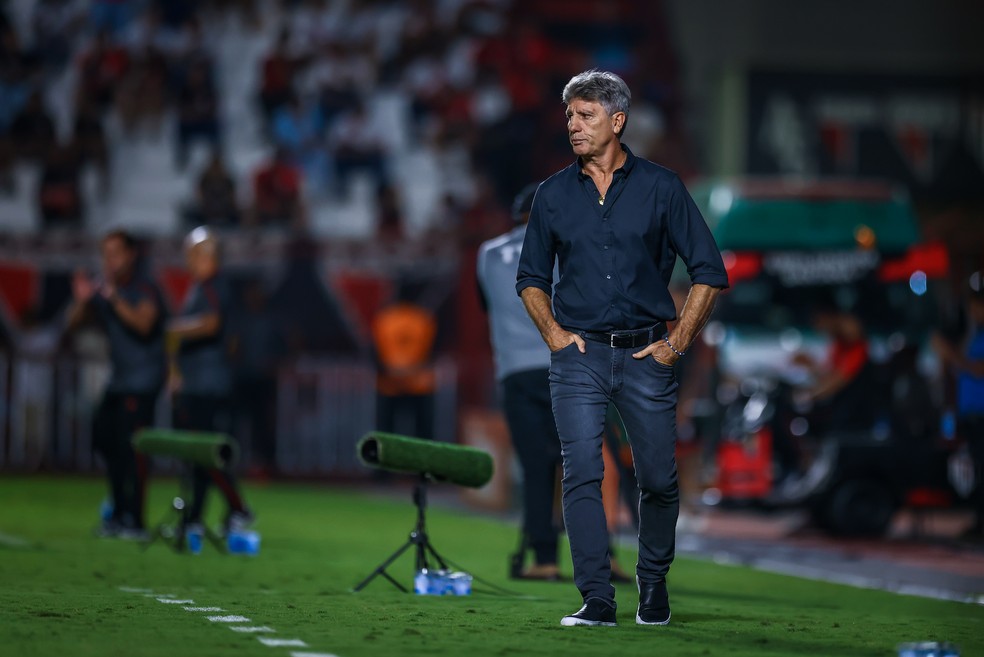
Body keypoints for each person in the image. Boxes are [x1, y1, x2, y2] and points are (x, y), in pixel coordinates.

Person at [516, 70, 728, 627]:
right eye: (568, 116)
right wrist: (556, 337)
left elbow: (709, 271)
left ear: (617, 121)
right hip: (578, 358)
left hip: (647, 356)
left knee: (658, 478)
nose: (573, 126)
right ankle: (597, 598)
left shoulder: (663, 187)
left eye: (585, 116)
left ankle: (652, 584)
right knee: (582, 470)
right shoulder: (553, 195)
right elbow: (530, 278)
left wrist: (676, 343)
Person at [477, 183, 564, 580]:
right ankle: (601, 555)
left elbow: (487, 304)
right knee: (576, 465)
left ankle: (543, 559)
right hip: (561, 367)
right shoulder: (562, 250)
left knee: (534, 467)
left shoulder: (487, 253)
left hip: (514, 372)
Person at [66, 230, 167, 538]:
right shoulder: (107, 290)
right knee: (105, 440)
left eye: (115, 253)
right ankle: (119, 512)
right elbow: (71, 326)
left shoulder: (143, 287)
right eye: (105, 253)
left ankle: (134, 520)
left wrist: (113, 297)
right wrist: (83, 301)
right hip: (120, 380)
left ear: (130, 254)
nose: (109, 260)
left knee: (134, 451)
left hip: (143, 380)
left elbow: (143, 324)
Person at [168, 226, 253, 535]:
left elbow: (212, 324)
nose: (188, 258)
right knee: (199, 453)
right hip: (199, 380)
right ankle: (197, 518)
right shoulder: (201, 287)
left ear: (206, 255)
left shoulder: (213, 286)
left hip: (208, 383)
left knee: (203, 451)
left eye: (192, 252)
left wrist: (172, 330)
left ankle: (237, 508)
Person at [933, 278, 984, 538]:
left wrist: (951, 354)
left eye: (977, 306)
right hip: (971, 413)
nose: (974, 312)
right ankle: (978, 520)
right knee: (975, 469)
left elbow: (977, 369)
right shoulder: (973, 333)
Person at [371, 286, 437, 442]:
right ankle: (423, 465)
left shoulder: (384, 319)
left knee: (386, 435)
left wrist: (390, 370)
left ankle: (383, 465)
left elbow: (374, 352)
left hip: (389, 384)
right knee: (423, 435)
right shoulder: (423, 319)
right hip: (419, 384)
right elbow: (432, 351)